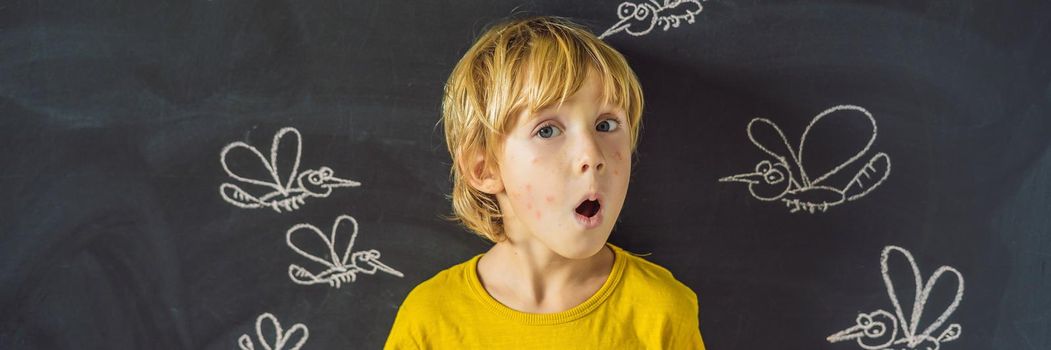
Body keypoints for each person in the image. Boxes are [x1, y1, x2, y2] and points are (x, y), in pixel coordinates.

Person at [385, 16, 705, 349]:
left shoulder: (661, 312)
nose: (592, 155)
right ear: (485, 169)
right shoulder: (431, 321)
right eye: (547, 130)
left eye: (607, 125)